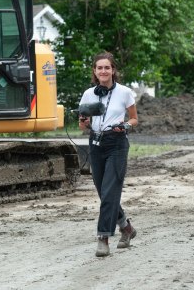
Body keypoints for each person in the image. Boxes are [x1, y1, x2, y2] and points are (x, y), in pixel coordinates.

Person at [78, 51, 138, 257]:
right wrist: (84, 123)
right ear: (95, 71)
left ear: (113, 70)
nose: (103, 71)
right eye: (99, 67)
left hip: (117, 143)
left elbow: (134, 119)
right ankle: (127, 228)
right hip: (96, 143)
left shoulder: (124, 92)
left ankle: (103, 237)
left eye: (107, 67)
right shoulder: (88, 94)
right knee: (104, 192)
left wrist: (125, 126)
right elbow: (82, 123)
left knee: (110, 191)